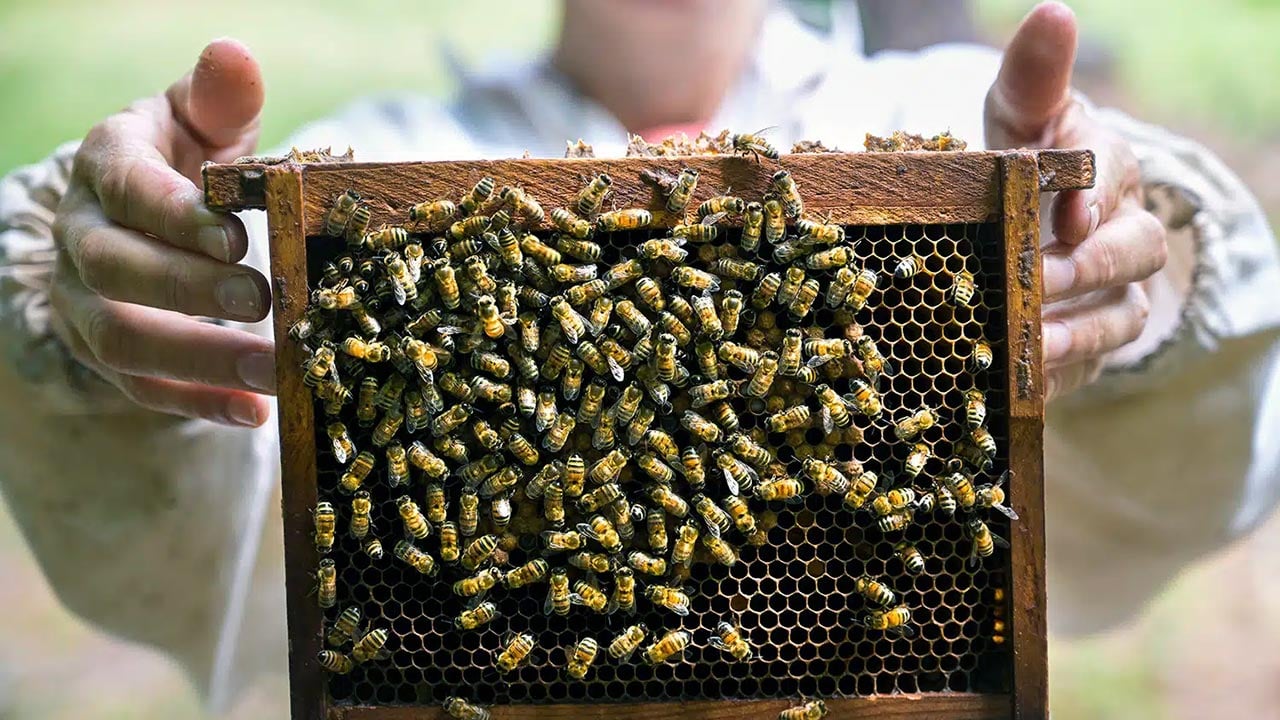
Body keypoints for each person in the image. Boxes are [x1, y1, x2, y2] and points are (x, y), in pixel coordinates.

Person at [0, 0, 1275, 712]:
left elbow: (1173, 491)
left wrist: (1129, 267)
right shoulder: (359, 168)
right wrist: (89, 295)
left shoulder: (944, 115)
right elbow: (205, 560)